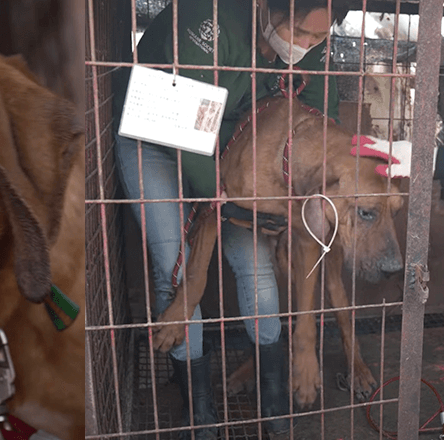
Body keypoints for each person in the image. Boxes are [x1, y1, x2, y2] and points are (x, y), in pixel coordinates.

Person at [113, 0, 348, 437]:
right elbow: (185, 126)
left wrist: (316, 157)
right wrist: (232, 199)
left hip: (228, 142)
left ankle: (273, 392)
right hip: (157, 135)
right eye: (301, 33)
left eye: (319, 38)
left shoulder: (308, 29)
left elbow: (319, 104)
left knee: (256, 266)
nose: (308, 45)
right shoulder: (210, 23)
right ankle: (197, 402)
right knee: (176, 267)